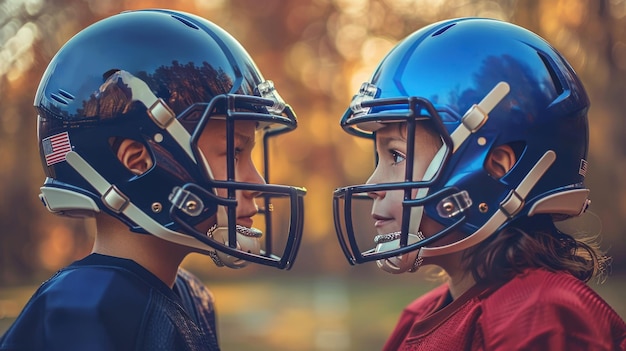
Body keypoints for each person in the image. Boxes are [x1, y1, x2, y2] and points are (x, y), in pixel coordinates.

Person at [0, 8, 305, 351]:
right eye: (234, 152)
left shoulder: (191, 296)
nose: (259, 182)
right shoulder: (85, 311)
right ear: (138, 162)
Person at [333, 17, 626, 350]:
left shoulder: (539, 315)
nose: (372, 183)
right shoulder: (418, 316)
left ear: (496, 169)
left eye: (396, 156)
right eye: (379, 158)